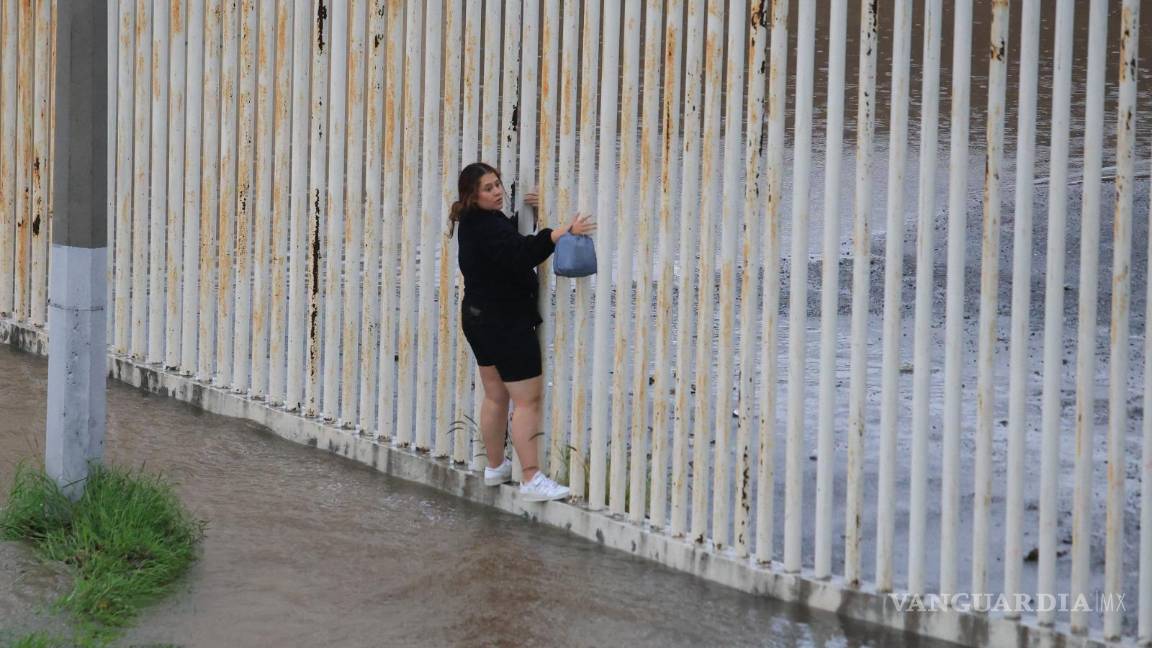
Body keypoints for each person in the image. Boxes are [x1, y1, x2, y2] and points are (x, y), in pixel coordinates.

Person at [449, 162, 596, 502]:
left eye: (498, 184)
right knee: (528, 401)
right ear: (472, 195)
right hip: (505, 321)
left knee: (496, 395)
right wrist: (559, 233)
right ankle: (531, 478)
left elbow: (503, 243)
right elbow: (519, 253)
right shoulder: (486, 226)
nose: (498, 191)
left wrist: (530, 214)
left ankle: (495, 467)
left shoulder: (473, 223)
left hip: (477, 317)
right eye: (488, 188)